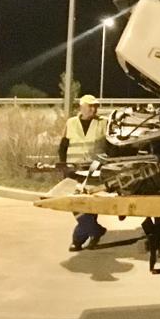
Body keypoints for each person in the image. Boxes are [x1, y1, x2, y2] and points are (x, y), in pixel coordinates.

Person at [59, 94, 109, 252]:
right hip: (74, 171)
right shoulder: (71, 123)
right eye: (90, 106)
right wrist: (63, 168)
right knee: (76, 205)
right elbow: (63, 147)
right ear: (82, 107)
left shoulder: (103, 123)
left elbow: (111, 147)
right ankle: (96, 230)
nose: (94, 109)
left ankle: (79, 240)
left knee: (90, 206)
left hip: (94, 171)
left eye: (96, 106)